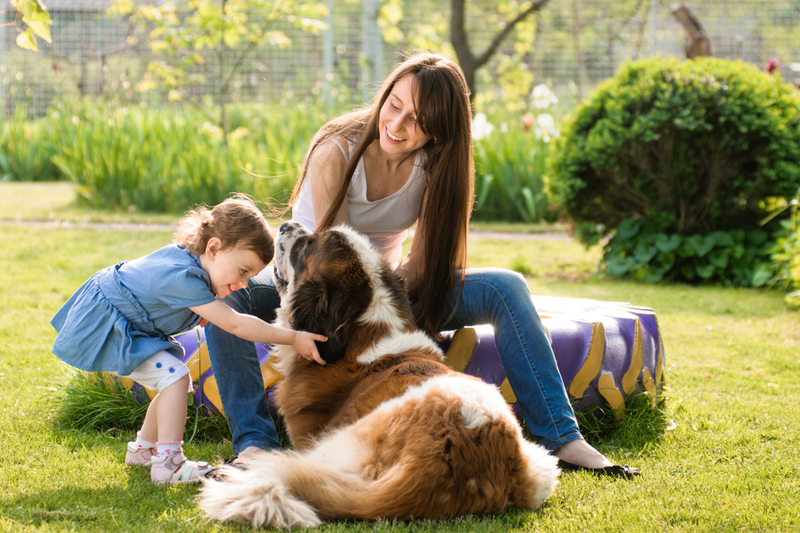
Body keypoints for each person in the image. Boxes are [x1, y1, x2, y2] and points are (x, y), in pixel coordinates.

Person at [206, 52, 639, 477]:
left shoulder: (436, 164)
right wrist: (380, 306)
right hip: (311, 283)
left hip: (388, 289)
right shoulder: (336, 150)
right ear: (384, 95)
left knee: (505, 286)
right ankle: (255, 446)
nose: (397, 125)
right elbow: (332, 262)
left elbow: (424, 261)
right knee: (228, 309)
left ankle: (563, 439)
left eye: (418, 120)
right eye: (394, 105)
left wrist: (390, 306)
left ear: (441, 128)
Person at [50, 196, 327, 485]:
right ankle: (169, 463)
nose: (244, 284)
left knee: (176, 380)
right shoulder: (184, 277)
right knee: (175, 377)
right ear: (214, 248)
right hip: (109, 325)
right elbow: (235, 323)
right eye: (243, 271)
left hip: (125, 322)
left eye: (251, 276)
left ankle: (144, 450)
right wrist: (293, 337)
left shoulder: (191, 263)